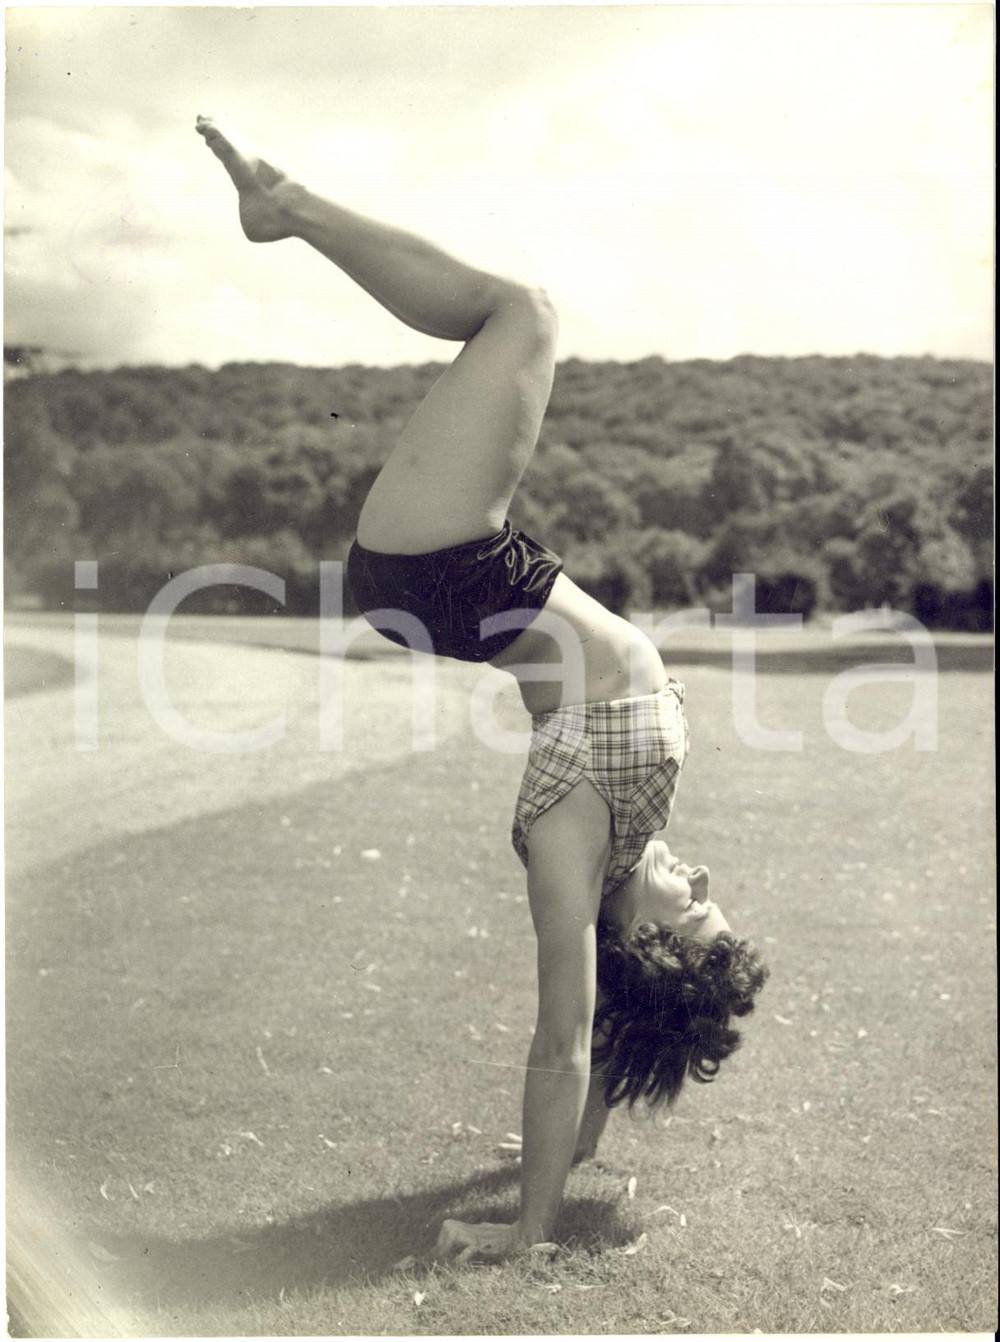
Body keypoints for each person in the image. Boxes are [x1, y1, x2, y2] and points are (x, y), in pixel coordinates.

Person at [196, 116, 769, 1264]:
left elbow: (566, 1031)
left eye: (694, 910)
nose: (700, 875)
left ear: (644, 947)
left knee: (525, 312)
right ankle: (288, 207)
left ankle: (288, 207)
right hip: (478, 571)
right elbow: (604, 1044)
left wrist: (529, 1232)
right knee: (522, 313)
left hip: (443, 564)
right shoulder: (625, 850)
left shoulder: (572, 836)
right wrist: (597, 1119)